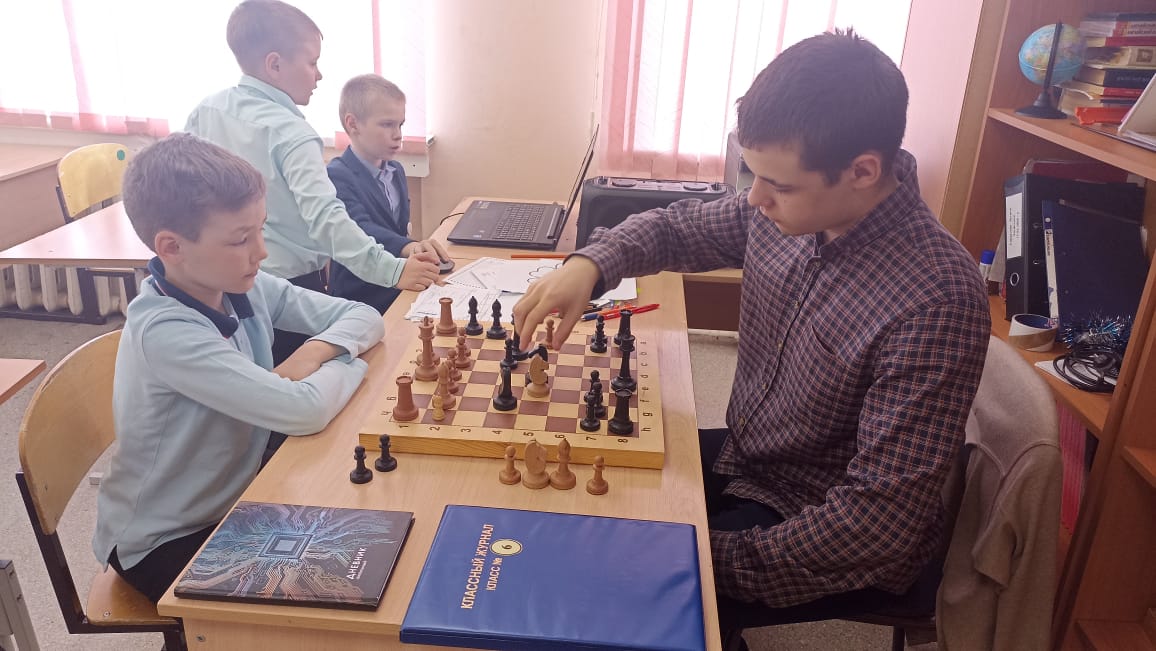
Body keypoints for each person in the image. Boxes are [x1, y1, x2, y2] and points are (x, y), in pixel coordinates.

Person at [513, 30, 990, 641]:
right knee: (584, 494)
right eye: (752, 174)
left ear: (863, 171)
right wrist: (589, 264)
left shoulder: (936, 298)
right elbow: (675, 228)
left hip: (813, 518)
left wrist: (689, 555)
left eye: (779, 185)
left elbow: (875, 526)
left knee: (608, 596)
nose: (755, 199)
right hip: (749, 456)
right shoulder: (784, 209)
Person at [92, 133, 385, 603]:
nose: (261, 251)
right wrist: (352, 363)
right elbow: (304, 410)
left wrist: (314, 353)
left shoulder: (240, 283)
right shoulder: (167, 332)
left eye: (261, 230)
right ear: (172, 246)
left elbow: (365, 316)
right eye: (240, 239)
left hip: (238, 493)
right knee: (339, 594)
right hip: (168, 538)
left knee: (375, 535)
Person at [185, 0, 438, 362]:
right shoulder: (291, 132)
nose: (319, 75)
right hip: (287, 288)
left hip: (217, 283)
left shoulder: (206, 111)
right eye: (312, 62)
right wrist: (393, 270)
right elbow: (326, 219)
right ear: (275, 65)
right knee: (297, 375)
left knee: (247, 371)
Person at [327, 74, 449, 313]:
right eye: (387, 125)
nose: (398, 134)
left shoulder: (396, 171)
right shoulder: (337, 175)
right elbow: (359, 228)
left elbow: (396, 230)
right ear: (352, 124)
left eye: (400, 124)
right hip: (360, 296)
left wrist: (416, 252)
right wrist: (408, 246)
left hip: (397, 285)